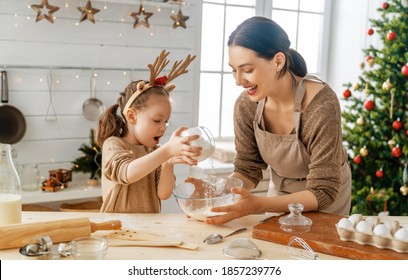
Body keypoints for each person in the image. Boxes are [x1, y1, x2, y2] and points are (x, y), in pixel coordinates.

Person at [204, 16, 352, 225]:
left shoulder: (321, 104)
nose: (238, 81)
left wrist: (259, 205)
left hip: (327, 196)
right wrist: (221, 188)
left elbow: (323, 190)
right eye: (233, 70)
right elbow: (248, 167)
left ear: (278, 61)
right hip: (281, 192)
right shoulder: (247, 105)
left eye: (247, 70)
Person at [97, 50, 200, 213]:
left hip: (149, 227)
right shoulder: (114, 144)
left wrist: (168, 162)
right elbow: (127, 173)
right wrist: (167, 151)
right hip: (116, 228)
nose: (163, 127)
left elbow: (164, 194)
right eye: (157, 120)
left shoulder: (155, 152)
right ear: (132, 116)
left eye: (166, 121)